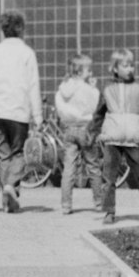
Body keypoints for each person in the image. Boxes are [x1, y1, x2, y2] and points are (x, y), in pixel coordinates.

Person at [89, 48, 139, 224]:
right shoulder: (108, 89)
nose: (130, 69)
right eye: (125, 66)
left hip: (133, 139)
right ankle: (109, 211)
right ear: (115, 68)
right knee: (109, 178)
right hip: (112, 139)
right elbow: (98, 114)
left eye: (132, 65)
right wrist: (92, 134)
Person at [0, 10, 43, 213]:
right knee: (19, 153)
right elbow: (33, 86)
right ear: (21, 29)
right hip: (18, 112)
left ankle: (7, 201)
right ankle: (10, 186)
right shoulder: (27, 53)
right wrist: (38, 116)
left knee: (2, 154)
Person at [54, 53, 102, 215]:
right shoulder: (87, 89)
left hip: (69, 129)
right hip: (85, 129)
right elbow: (94, 106)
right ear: (81, 71)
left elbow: (60, 106)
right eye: (88, 69)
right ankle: (98, 202)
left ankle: (66, 205)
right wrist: (94, 88)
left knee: (69, 168)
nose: (90, 73)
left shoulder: (63, 87)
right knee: (93, 165)